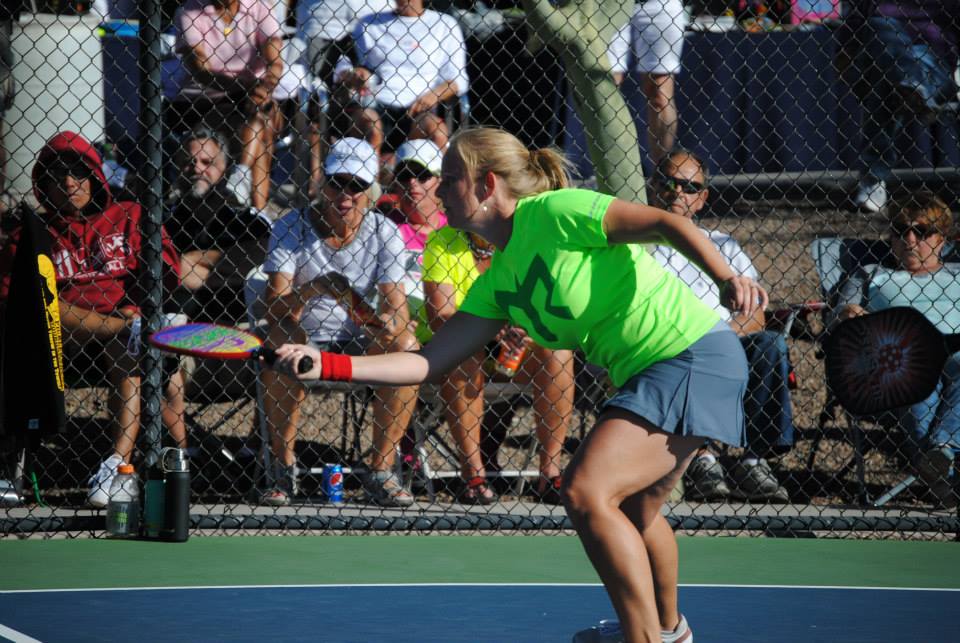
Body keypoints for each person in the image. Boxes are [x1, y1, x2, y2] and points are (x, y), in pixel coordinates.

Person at [268, 127, 767, 642]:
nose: (438, 191)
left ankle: (642, 640)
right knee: (636, 508)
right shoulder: (500, 278)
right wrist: (327, 364)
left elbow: (665, 223)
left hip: (691, 354)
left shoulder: (555, 212)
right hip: (651, 371)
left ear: (486, 185)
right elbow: (424, 363)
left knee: (585, 490)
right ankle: (670, 631)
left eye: (451, 178)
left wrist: (728, 276)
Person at [0, 131, 186, 508]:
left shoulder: (131, 216)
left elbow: (168, 274)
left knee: (128, 345)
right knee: (43, 300)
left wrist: (141, 308)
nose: (69, 182)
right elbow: (13, 299)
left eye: (78, 172)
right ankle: (8, 466)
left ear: (96, 176)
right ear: (43, 185)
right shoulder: (33, 233)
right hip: (57, 337)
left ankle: (118, 469)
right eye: (56, 175)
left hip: (126, 331)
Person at [259, 137, 419, 507]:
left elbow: (398, 309)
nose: (345, 194)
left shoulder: (384, 231)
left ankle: (381, 471)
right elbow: (274, 309)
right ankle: (283, 470)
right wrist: (313, 288)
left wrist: (384, 320)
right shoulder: (291, 226)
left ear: (371, 191)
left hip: (359, 342)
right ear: (322, 184)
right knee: (285, 334)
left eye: (357, 185)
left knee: (406, 345)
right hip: (303, 339)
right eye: (337, 183)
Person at [649, 150, 792, 503]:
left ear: (702, 198)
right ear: (653, 188)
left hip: (725, 339)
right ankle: (703, 456)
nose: (678, 192)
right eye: (669, 182)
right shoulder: (640, 242)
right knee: (691, 355)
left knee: (770, 345)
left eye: (690, 186)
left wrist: (722, 339)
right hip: (669, 344)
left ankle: (753, 460)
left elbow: (756, 311)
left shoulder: (723, 243)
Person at [423, 225, 575, 504]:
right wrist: (492, 331)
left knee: (557, 351)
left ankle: (549, 473)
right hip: (466, 346)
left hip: (514, 350)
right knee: (464, 354)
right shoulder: (443, 241)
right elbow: (440, 315)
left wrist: (530, 329)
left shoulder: (527, 237)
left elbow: (548, 305)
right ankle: (473, 474)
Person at [834, 190, 959, 508]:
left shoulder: (958, 275)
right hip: (897, 355)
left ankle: (940, 455)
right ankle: (944, 471)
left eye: (922, 231)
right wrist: (851, 315)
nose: (910, 239)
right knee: (914, 372)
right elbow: (841, 313)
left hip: (956, 352)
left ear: (942, 239)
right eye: (902, 230)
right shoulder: (871, 274)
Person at [173, 0, 284, 212]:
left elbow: (275, 62)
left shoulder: (261, 7)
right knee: (262, 123)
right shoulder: (189, 11)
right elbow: (200, 69)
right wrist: (244, 87)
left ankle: (244, 185)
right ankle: (256, 207)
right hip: (204, 98)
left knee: (263, 117)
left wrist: (265, 87)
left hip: (253, 95)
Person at [849, 0, 960, 213]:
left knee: (884, 87)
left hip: (934, 66)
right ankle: (912, 87)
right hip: (885, 61)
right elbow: (853, 31)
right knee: (883, 30)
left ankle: (873, 179)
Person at [166, 127, 273, 323]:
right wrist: (225, 266)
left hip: (240, 317)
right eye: (189, 163)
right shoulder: (167, 220)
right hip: (184, 318)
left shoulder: (248, 219)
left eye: (207, 162)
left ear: (225, 168)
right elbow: (171, 272)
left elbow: (264, 262)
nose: (197, 169)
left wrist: (192, 261)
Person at [335, 0, 469, 154]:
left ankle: (442, 177)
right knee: (372, 130)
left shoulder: (445, 25)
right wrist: (357, 74)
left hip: (419, 110)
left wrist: (434, 95)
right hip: (375, 103)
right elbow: (347, 65)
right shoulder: (368, 23)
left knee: (437, 133)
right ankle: (371, 176)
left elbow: (458, 79)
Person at [607, 0, 690, 166]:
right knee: (606, 89)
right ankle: (606, 167)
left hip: (658, 4)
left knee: (660, 94)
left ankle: (661, 172)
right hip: (609, 5)